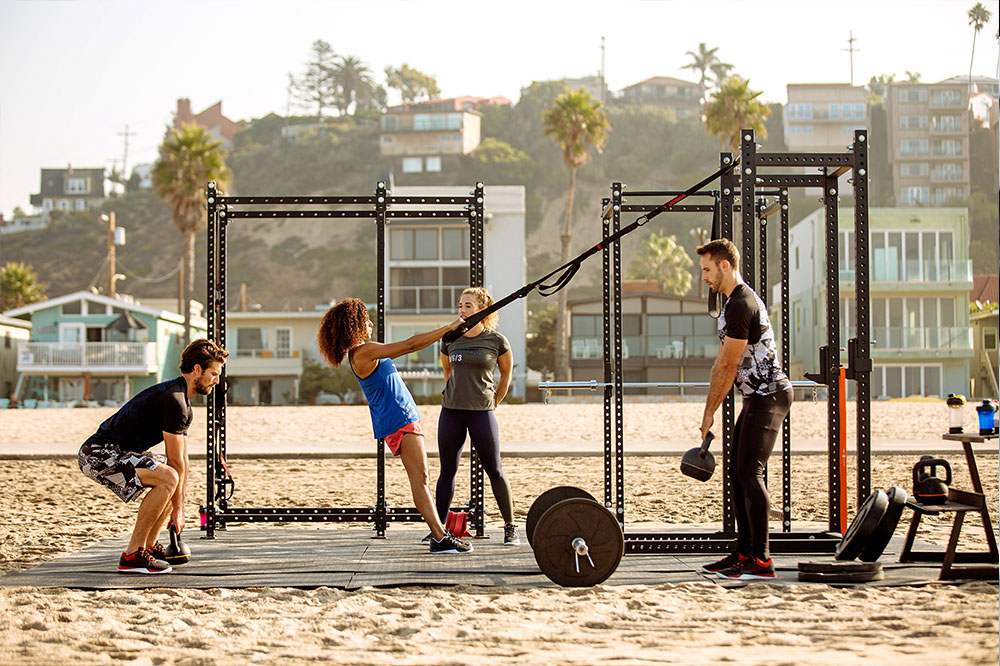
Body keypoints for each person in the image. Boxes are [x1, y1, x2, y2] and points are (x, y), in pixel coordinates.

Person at [317, 298, 472, 554]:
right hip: (398, 420)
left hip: (401, 419)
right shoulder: (364, 351)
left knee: (421, 478)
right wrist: (447, 328)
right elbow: (410, 344)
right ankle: (439, 537)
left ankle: (439, 535)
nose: (369, 323)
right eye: (365, 319)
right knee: (420, 479)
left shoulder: (362, 352)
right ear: (354, 325)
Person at [78, 338, 228, 574]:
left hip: (120, 453)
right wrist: (178, 510)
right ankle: (132, 555)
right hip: (98, 454)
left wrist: (181, 504)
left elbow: (183, 462)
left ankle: (148, 545)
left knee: (171, 477)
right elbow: (175, 462)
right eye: (214, 373)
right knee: (168, 477)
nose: (217, 380)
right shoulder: (174, 400)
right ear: (197, 369)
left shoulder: (184, 405)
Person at [695, 239, 792, 581]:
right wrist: (710, 407)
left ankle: (761, 560)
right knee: (738, 473)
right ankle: (744, 552)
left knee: (750, 473)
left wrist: (709, 413)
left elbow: (728, 366)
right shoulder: (732, 303)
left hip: (770, 396)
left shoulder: (740, 304)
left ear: (724, 265)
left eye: (707, 269)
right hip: (757, 397)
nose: (704, 277)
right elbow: (720, 364)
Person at [430, 287, 518, 546]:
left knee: (495, 470)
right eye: (460, 305)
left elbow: (506, 375)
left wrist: (494, 402)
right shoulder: (450, 338)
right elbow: (447, 371)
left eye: (468, 305)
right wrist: (452, 394)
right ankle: (438, 529)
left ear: (482, 310)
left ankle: (510, 527)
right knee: (447, 471)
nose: (462, 310)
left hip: (481, 412)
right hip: (451, 412)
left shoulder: (497, 341)